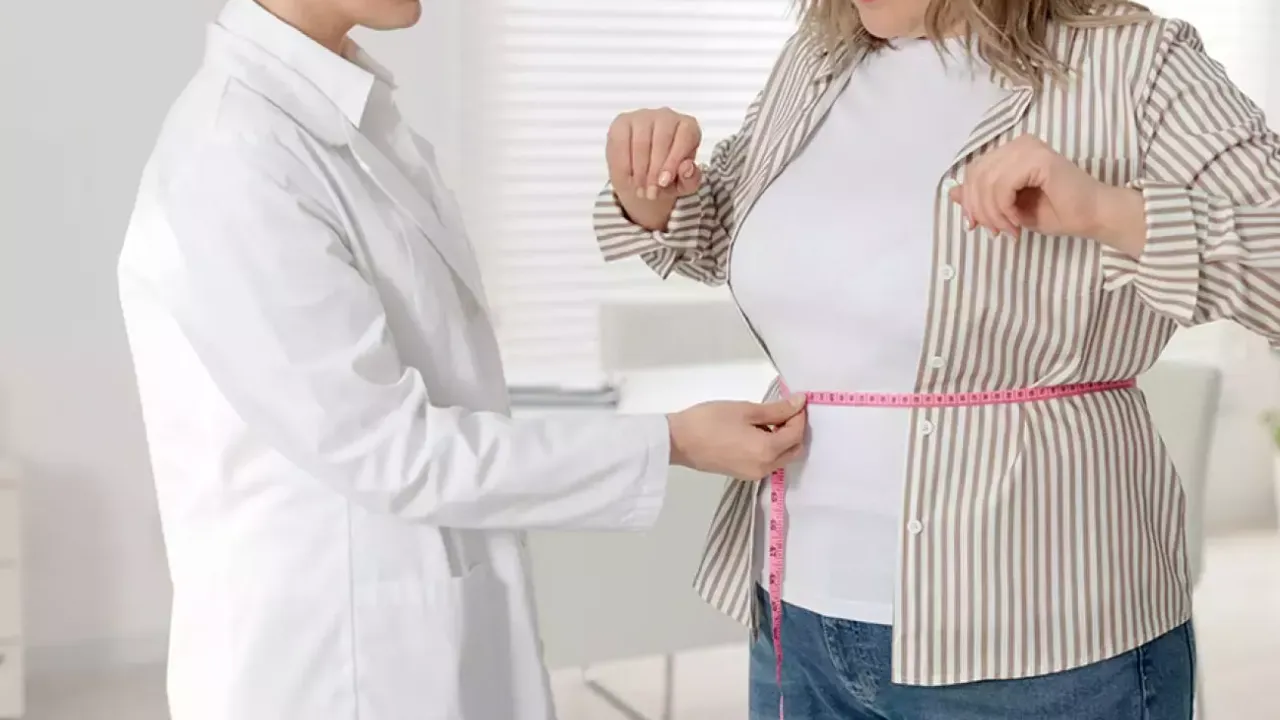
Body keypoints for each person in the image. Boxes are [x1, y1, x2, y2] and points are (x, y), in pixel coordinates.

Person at [115, 0, 809, 718]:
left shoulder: (340, 116)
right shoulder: (233, 156)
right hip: (329, 663)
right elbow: (391, 450)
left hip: (411, 628)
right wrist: (671, 442)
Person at [595, 0, 1280, 718]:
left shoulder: (1135, 64)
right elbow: (726, 231)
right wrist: (653, 194)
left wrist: (1107, 211)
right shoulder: (817, 60)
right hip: (798, 613)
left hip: (1041, 638)